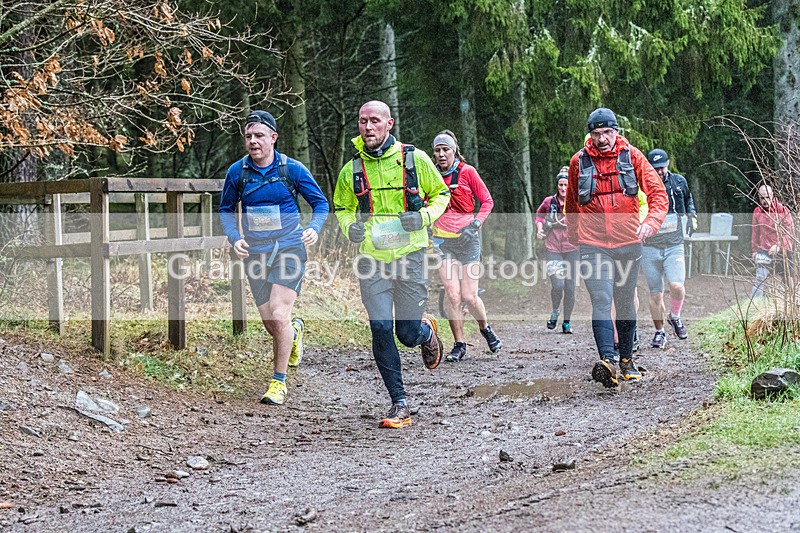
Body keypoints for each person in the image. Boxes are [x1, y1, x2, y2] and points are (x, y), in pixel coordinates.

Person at [333, 101, 451, 428]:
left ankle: (425, 331)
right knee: (381, 326)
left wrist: (423, 217)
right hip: (372, 259)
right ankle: (399, 402)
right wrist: (349, 227)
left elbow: (441, 195)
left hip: (411, 256)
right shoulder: (352, 169)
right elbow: (341, 207)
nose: (367, 128)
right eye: (362, 122)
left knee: (407, 333)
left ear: (389, 124)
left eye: (374, 121)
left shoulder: (414, 159)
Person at [219, 110, 329, 406]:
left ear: (273, 138)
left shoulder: (291, 170)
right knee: (272, 323)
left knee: (279, 315)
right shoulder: (237, 173)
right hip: (255, 252)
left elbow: (320, 203)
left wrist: (314, 229)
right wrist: (236, 238)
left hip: (289, 247)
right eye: (248, 136)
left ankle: (277, 383)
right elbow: (226, 210)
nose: (253, 142)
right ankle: (294, 332)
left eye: (259, 136)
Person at [566, 108, 668, 388]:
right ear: (590, 134)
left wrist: (651, 223)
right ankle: (607, 362)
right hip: (592, 243)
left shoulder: (633, 156)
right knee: (601, 298)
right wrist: (575, 240)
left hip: (628, 241)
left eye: (607, 132)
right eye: (596, 134)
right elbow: (572, 205)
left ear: (617, 131)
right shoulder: (579, 161)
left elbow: (659, 194)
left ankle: (626, 360)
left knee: (624, 302)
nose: (602, 139)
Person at [430, 130, 501, 362]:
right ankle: (459, 345)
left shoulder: (467, 172)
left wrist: (476, 224)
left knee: (469, 297)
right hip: (443, 241)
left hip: (468, 240)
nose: (441, 154)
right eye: (437, 150)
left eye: (445, 150)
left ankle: (485, 328)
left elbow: (487, 201)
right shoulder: (430, 174)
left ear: (454, 150)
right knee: (453, 295)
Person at [641, 148, 697, 348]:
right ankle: (659, 332)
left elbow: (689, 199)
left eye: (662, 167)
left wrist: (692, 215)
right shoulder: (642, 186)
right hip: (650, 246)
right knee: (655, 293)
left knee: (677, 286)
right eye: (655, 168)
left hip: (674, 244)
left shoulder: (679, 182)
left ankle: (675, 316)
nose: (659, 172)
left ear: (668, 164)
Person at [535, 166, 579, 334]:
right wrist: (539, 228)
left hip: (573, 248)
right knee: (558, 285)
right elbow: (539, 216)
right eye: (560, 185)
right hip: (553, 247)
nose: (562, 188)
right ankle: (555, 311)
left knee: (570, 287)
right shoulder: (549, 202)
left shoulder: (575, 203)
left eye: (566, 185)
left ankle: (567, 322)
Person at [751, 184, 794, 298]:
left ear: (772, 195)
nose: (765, 201)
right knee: (759, 278)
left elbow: (789, 233)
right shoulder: (757, 211)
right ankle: (755, 304)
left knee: (788, 279)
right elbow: (755, 232)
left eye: (767, 197)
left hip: (783, 250)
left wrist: (779, 246)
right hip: (764, 250)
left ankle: (793, 302)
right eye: (762, 198)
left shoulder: (782, 210)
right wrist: (754, 250)